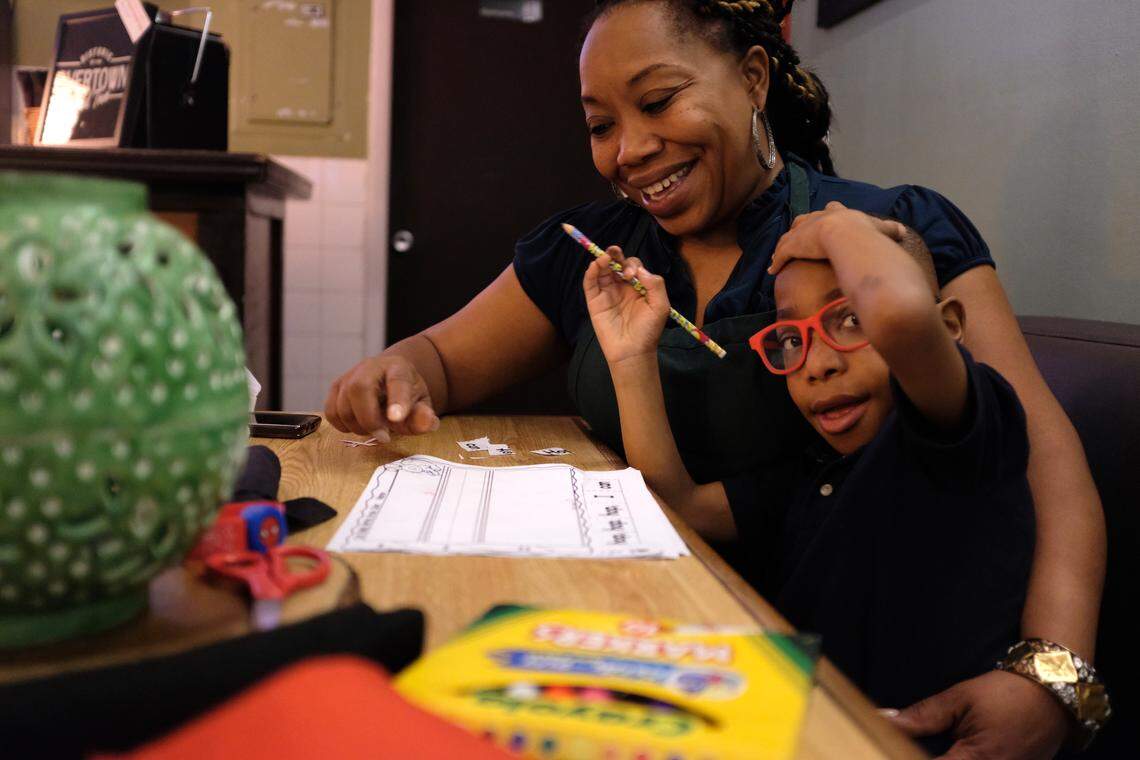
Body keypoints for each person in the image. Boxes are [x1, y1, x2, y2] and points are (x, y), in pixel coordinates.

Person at [326, 1, 1106, 754]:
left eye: (659, 101)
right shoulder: (592, 252)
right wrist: (397, 369)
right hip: (654, 641)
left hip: (855, 675)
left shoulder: (880, 240)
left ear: (755, 79)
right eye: (601, 126)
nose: (627, 150)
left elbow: (1044, 459)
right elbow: (440, 360)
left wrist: (1052, 681)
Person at [580, 201, 1035, 752]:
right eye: (793, 339)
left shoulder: (959, 434)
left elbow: (902, 316)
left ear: (949, 327)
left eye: (850, 319)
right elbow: (680, 504)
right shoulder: (814, 469)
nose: (817, 363)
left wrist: (838, 224)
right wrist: (632, 359)